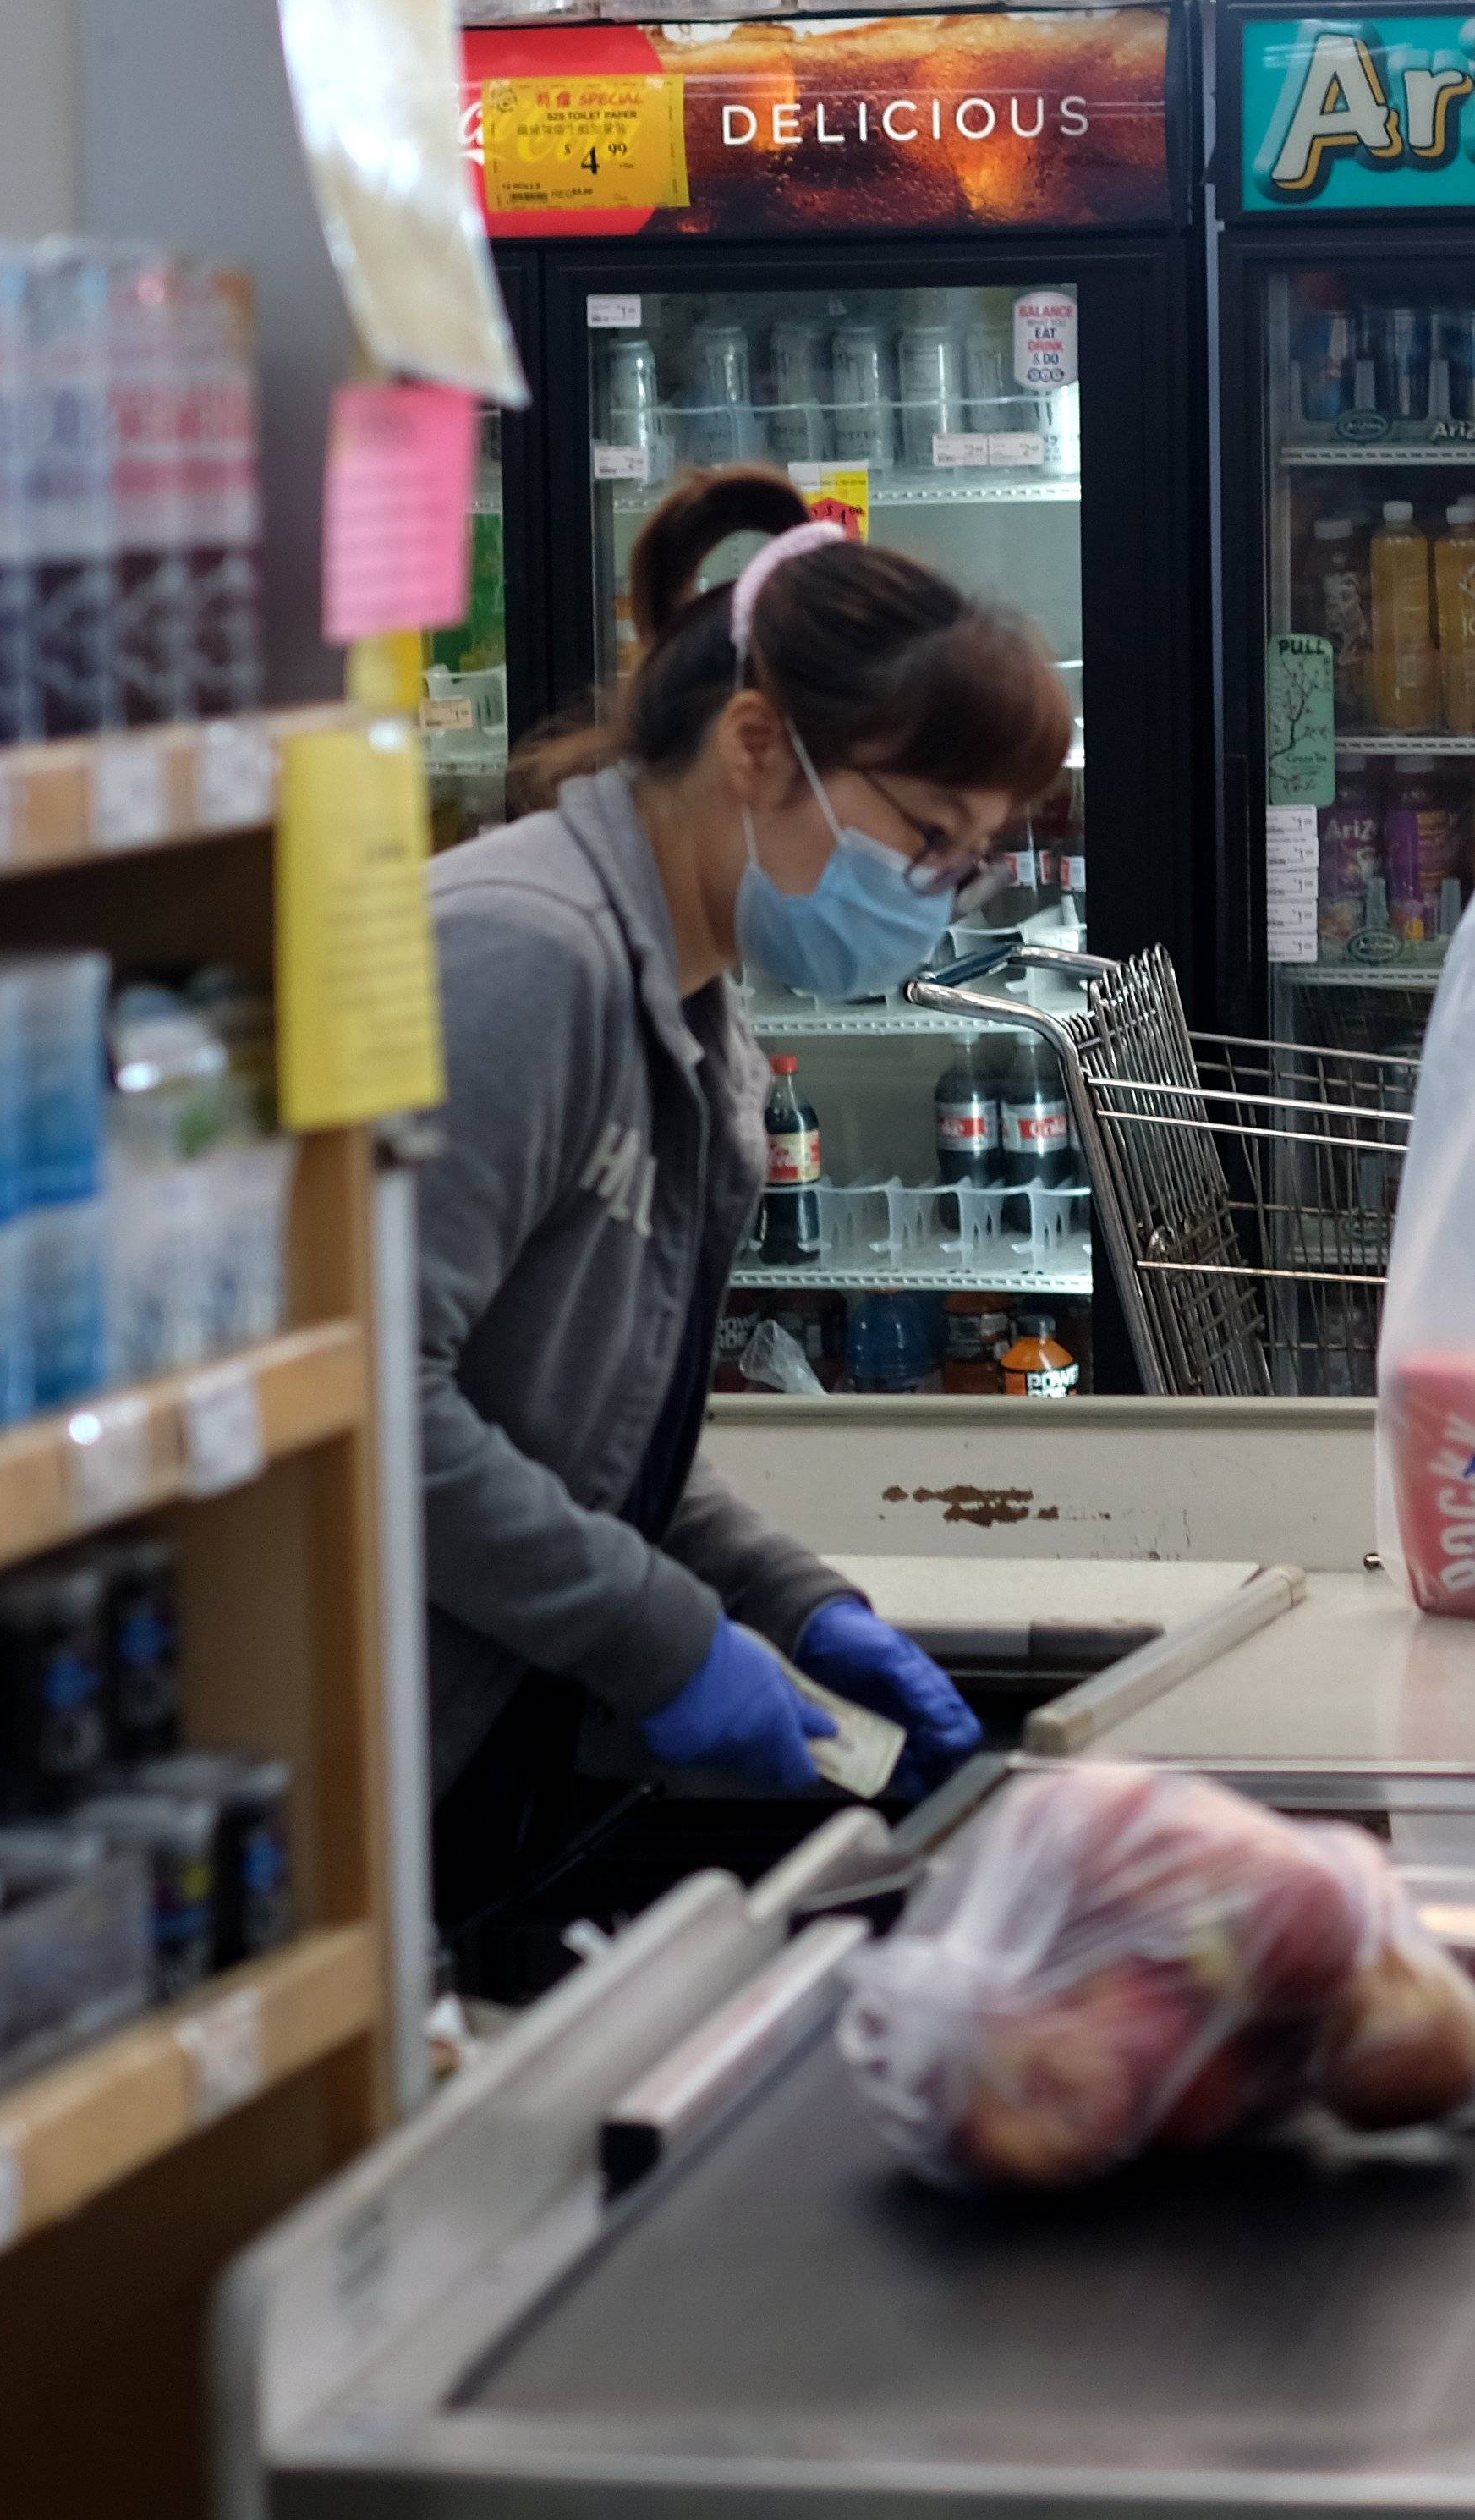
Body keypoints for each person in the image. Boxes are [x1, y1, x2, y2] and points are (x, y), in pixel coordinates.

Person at [416, 464, 1071, 1934]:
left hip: (483, 1740)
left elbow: (596, 1424)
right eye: (927, 840)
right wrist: (662, 1639)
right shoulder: (527, 957)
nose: (941, 893)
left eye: (970, 864)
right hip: (368, 1753)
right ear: (760, 746)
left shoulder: (697, 1003)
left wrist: (789, 1602)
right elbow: (373, 1404)